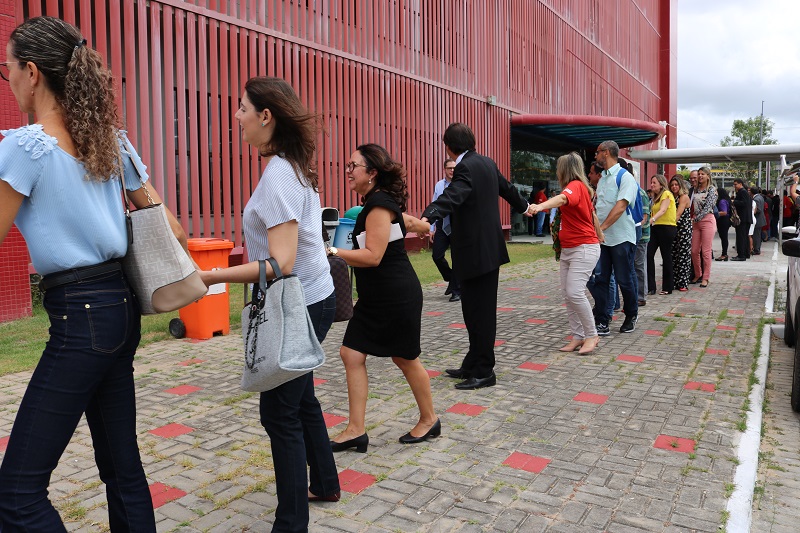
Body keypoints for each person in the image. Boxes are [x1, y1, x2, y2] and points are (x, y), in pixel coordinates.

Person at [0, 16, 187, 530]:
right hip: (121, 308)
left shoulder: (25, 147)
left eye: (7, 68)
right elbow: (173, 229)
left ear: (32, 72)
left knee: (15, 494)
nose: (8, 79)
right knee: (122, 468)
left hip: (80, 317)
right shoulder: (109, 141)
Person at [198, 77, 341, 531]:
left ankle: (291, 522)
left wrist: (211, 276)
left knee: (279, 413)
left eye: (242, 108)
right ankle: (326, 482)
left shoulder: (280, 174)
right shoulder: (290, 166)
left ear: (266, 116)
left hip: (299, 303)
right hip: (311, 297)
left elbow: (280, 263)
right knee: (301, 399)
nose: (236, 116)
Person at [330, 143, 439, 449]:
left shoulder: (378, 205)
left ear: (372, 172)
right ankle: (356, 429)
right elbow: (405, 221)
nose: (348, 171)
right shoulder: (378, 203)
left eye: (353, 166)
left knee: (405, 357)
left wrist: (333, 252)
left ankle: (429, 419)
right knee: (351, 353)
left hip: (395, 295)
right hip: (377, 297)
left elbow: (373, 256)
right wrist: (423, 225)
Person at [421, 122, 530, 389]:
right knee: (473, 311)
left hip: (477, 252)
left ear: (448, 146)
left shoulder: (465, 167)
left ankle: (484, 371)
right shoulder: (487, 163)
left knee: (480, 313)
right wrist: (525, 206)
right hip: (482, 251)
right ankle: (472, 363)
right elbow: (507, 188)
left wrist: (429, 216)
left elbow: (453, 195)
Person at [528, 153, 601, 354]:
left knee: (575, 292)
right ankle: (578, 336)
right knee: (568, 295)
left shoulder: (575, 186)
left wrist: (540, 206)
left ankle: (592, 335)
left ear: (565, 170)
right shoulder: (575, 187)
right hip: (570, 249)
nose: (557, 172)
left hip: (583, 248)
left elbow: (562, 199)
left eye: (558, 168)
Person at [592, 140, 639, 336]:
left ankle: (631, 315)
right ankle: (602, 320)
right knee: (601, 279)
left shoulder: (625, 177)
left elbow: (621, 207)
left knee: (624, 279)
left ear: (606, 152)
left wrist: (601, 228)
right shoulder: (602, 179)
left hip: (621, 238)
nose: (595, 156)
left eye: (597, 152)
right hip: (603, 239)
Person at [430, 158, 460, 301]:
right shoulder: (439, 185)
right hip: (442, 224)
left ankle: (456, 291)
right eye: (449, 168)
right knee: (436, 255)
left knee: (456, 257)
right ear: (444, 169)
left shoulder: (460, 185)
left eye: (454, 168)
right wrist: (431, 227)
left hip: (458, 224)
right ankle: (451, 278)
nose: (452, 171)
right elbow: (435, 205)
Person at [647, 175, 677, 295]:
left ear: (661, 184)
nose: (652, 185)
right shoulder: (655, 198)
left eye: (654, 182)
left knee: (666, 255)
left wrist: (651, 220)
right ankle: (651, 286)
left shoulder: (666, 194)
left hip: (667, 227)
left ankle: (668, 287)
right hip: (655, 228)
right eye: (651, 182)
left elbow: (663, 210)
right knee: (648, 254)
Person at [690, 167, 717, 288]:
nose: (700, 176)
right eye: (699, 174)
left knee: (706, 251)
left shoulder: (712, 189)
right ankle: (698, 274)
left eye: (703, 174)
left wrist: (696, 218)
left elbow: (708, 208)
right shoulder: (695, 189)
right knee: (694, 250)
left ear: (708, 176)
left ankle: (705, 278)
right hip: (696, 222)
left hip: (707, 221)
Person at [670, 175, 692, 291]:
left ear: (680, 186)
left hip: (683, 228)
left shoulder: (683, 197)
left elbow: (678, 214)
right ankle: (674, 281)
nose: (674, 187)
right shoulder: (671, 197)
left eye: (676, 185)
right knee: (673, 255)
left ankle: (683, 283)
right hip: (674, 228)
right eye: (672, 185)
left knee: (683, 255)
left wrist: (669, 225)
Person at [731, 178, 753, 261]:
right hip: (745, 218)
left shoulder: (743, 192)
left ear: (740, 184)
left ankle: (741, 255)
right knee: (744, 237)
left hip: (743, 219)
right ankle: (746, 253)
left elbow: (744, 203)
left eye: (736, 184)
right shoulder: (743, 192)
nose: (734, 186)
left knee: (741, 237)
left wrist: (734, 201)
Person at [715, 186, 732, 261]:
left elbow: (724, 212)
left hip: (723, 220)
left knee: (724, 237)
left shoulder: (722, 201)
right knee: (724, 237)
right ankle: (724, 253)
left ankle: (724, 254)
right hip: (725, 220)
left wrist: (713, 213)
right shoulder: (727, 200)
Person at [750, 186, 766, 255]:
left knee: (756, 236)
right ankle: (757, 248)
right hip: (760, 219)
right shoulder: (760, 197)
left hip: (758, 219)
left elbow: (758, 209)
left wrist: (752, 212)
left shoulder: (756, 199)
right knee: (758, 235)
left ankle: (756, 249)